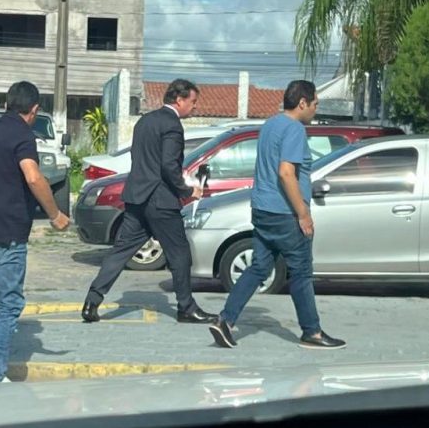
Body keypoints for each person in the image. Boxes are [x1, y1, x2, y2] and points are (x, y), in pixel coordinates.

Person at [208, 80, 346, 350]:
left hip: (262, 209)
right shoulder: (294, 129)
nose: (316, 109)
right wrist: (303, 213)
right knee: (301, 272)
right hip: (285, 213)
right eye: (315, 104)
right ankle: (312, 332)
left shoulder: (270, 125)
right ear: (302, 103)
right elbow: (285, 172)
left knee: (259, 267)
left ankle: (225, 320)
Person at [0, 81, 70, 382]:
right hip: (3, 234)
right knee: (8, 305)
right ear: (34, 110)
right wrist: (55, 214)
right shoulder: (23, 135)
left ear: (8, 104)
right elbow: (33, 177)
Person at [81, 79, 217, 324]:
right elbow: (168, 166)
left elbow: (140, 158)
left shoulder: (145, 121)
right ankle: (186, 307)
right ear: (179, 100)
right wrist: (187, 191)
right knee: (180, 254)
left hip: (137, 198)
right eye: (193, 101)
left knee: (121, 251)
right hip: (161, 201)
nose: (195, 106)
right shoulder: (172, 125)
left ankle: (92, 301)